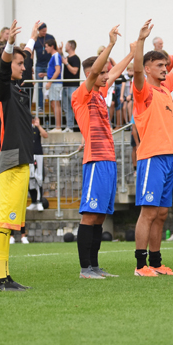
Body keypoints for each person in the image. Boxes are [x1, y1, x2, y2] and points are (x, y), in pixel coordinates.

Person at [133, 18, 173, 277]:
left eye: (165, 65)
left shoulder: (164, 89)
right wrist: (141, 40)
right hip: (153, 157)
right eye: (159, 65)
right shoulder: (143, 91)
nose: (165, 69)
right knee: (148, 212)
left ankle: (156, 262)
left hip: (171, 158)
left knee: (161, 214)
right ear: (148, 68)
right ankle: (140, 265)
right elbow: (137, 71)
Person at [72, 25, 133, 279]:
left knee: (99, 217)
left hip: (108, 160)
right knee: (90, 215)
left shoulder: (100, 93)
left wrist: (135, 50)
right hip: (95, 160)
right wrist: (110, 45)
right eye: (102, 72)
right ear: (91, 74)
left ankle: (95, 266)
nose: (107, 76)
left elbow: (115, 72)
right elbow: (100, 70)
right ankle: (85, 268)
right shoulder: (82, 95)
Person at [0, 21, 37, 291]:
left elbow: (23, 59)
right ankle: (0, 277)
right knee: (3, 222)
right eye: (19, 64)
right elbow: (6, 68)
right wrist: (9, 45)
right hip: (9, 159)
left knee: (10, 222)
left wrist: (31, 40)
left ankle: (5, 277)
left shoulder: (16, 88)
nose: (23, 67)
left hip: (21, 160)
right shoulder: (1, 87)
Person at [33, 22, 55, 112]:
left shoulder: (50, 37)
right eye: (42, 31)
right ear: (38, 31)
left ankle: (53, 104)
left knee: (51, 84)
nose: (44, 33)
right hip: (39, 65)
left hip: (49, 64)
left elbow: (54, 49)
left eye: (45, 31)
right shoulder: (36, 39)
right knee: (39, 86)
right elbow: (32, 52)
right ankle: (40, 106)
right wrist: (31, 65)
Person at [28, 116, 48, 211]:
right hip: (29, 156)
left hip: (38, 155)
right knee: (30, 179)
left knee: (38, 178)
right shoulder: (25, 128)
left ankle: (39, 201)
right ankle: (33, 201)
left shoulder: (37, 128)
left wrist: (38, 126)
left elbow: (45, 135)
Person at [61, 40, 80, 132]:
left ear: (70, 46)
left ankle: (80, 126)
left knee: (74, 107)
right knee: (66, 107)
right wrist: (60, 51)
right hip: (65, 86)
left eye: (66, 45)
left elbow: (74, 71)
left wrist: (66, 63)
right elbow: (63, 59)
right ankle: (69, 126)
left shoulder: (75, 59)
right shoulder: (67, 58)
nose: (65, 47)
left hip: (73, 86)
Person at [45, 39, 63, 132]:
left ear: (52, 46)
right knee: (54, 103)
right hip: (54, 83)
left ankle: (58, 127)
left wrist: (50, 82)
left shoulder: (56, 56)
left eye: (47, 46)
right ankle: (57, 126)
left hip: (55, 83)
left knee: (55, 104)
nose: (45, 48)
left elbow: (57, 70)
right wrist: (45, 74)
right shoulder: (54, 56)